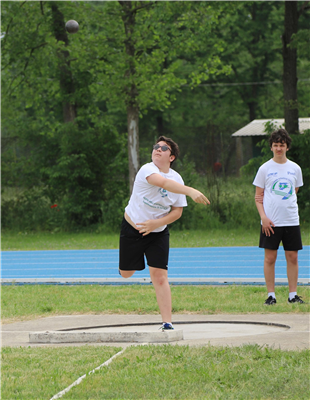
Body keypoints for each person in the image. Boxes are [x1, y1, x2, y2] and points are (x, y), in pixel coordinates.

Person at [119, 136, 210, 330]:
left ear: (172, 157)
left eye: (164, 148)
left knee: (160, 277)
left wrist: (155, 224)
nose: (158, 149)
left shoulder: (177, 179)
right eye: (156, 147)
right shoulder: (147, 169)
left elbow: (177, 212)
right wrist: (191, 191)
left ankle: (167, 322)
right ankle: (128, 263)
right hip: (132, 228)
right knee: (126, 274)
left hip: (157, 232)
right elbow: (163, 183)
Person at [253, 128, 305, 305]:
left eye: (282, 145)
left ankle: (292, 295)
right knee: (270, 258)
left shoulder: (295, 169)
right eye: (275, 145)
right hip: (271, 222)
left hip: (291, 220)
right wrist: (264, 217)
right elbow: (258, 197)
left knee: (293, 257)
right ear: (271, 147)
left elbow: (294, 191)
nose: (279, 148)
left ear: (287, 147)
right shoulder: (264, 169)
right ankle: (271, 295)